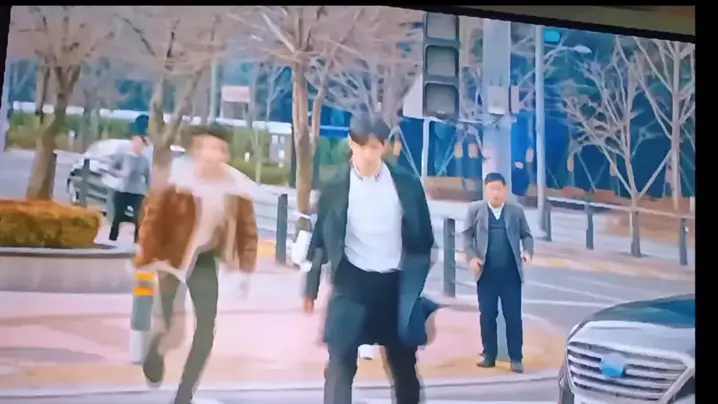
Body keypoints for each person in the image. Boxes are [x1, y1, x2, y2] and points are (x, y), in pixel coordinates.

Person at [302, 114, 438, 404]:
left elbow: (424, 237)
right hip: (351, 282)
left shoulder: (406, 184)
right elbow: (321, 238)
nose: (367, 153)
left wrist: (415, 282)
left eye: (374, 146)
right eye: (361, 145)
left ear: (384, 147)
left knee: (403, 366)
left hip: (393, 284)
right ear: (351, 144)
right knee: (339, 363)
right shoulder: (335, 185)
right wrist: (310, 287)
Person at [133, 124, 259, 404]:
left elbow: (247, 231)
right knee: (167, 324)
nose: (213, 155)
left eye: (219, 149)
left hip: (204, 258)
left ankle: (184, 394)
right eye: (207, 148)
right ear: (196, 151)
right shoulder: (176, 181)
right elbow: (152, 221)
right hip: (172, 257)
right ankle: (155, 352)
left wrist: (244, 269)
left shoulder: (235, 187)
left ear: (225, 154)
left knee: (205, 330)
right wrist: (146, 259)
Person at [461, 172, 534, 373]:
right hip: (486, 273)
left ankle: (516, 358)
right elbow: (466, 236)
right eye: (491, 189)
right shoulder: (475, 210)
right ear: (485, 190)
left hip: (510, 274)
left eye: (499, 189)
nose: (495, 193)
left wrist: (527, 252)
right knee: (487, 315)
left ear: (505, 190)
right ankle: (489, 355)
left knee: (513, 316)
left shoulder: (515, 211)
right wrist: (471, 257)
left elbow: (527, 235)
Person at [108, 127, 151, 243]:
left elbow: (147, 176)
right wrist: (120, 174)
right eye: (137, 142)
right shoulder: (123, 156)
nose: (139, 146)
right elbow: (111, 168)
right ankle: (112, 239)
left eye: (141, 144)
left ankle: (137, 241)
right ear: (132, 142)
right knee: (118, 216)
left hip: (137, 192)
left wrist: (147, 190)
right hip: (122, 190)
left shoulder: (144, 160)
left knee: (138, 216)